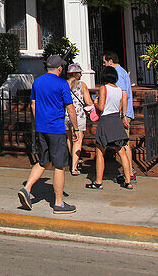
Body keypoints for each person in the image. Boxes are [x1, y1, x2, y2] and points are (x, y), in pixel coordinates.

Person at [18, 54, 76, 215]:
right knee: (59, 166)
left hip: (41, 128)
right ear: (59, 68)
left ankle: (27, 188)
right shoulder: (62, 84)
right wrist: (75, 128)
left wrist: (39, 122)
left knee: (43, 161)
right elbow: (70, 108)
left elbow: (33, 104)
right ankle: (58, 203)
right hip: (56, 129)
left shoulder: (38, 82)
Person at [88, 66, 133, 190]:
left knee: (100, 151)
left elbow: (101, 107)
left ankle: (98, 181)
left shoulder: (104, 88)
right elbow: (119, 107)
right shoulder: (119, 89)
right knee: (121, 151)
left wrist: (95, 103)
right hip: (115, 120)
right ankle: (128, 180)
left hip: (106, 121)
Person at [102, 51, 135, 185]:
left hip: (123, 114)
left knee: (124, 145)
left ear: (110, 61)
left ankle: (130, 173)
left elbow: (123, 95)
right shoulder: (122, 71)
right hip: (125, 113)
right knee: (124, 144)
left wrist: (123, 115)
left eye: (104, 62)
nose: (104, 65)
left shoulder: (118, 73)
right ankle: (129, 172)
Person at [65, 63, 93, 176]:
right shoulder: (82, 85)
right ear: (75, 74)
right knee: (78, 140)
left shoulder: (63, 84)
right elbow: (88, 101)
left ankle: (73, 160)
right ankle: (74, 167)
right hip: (78, 115)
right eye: (79, 73)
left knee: (70, 138)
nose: (81, 75)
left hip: (66, 114)